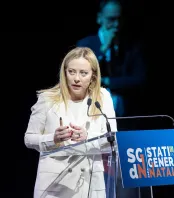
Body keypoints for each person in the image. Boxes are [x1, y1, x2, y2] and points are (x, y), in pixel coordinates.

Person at [24, 47, 117, 198]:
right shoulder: (47, 99)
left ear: (93, 75)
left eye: (83, 73)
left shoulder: (103, 97)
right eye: (71, 71)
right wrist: (52, 139)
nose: (76, 78)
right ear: (64, 72)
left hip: (91, 184)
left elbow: (113, 139)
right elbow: (29, 138)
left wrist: (88, 136)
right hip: (55, 186)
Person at [76, 0, 146, 117]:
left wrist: (107, 82)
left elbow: (139, 79)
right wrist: (103, 50)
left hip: (126, 114)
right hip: (93, 113)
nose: (116, 24)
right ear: (99, 18)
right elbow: (81, 76)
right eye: (111, 19)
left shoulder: (132, 47)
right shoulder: (85, 45)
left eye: (119, 19)